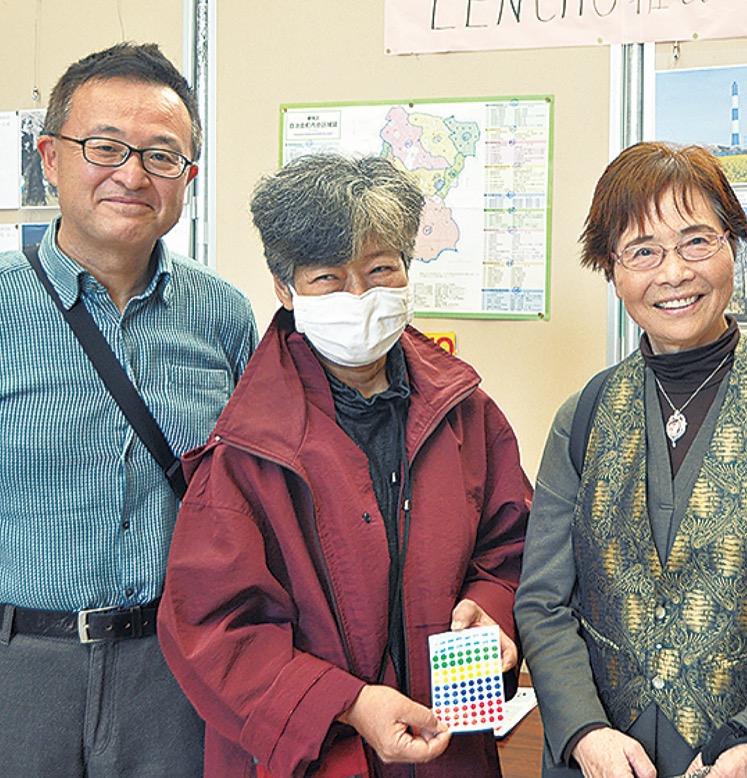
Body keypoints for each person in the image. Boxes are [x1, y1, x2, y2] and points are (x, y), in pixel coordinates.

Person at [514, 142, 747, 778]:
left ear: (733, 247)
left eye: (696, 242)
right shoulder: (582, 417)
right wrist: (584, 733)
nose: (674, 273)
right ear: (611, 271)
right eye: (643, 251)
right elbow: (542, 604)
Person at [157, 153, 531, 777]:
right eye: (329, 278)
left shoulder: (466, 412)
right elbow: (213, 630)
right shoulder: (246, 447)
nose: (360, 296)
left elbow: (515, 546)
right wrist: (349, 704)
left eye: (380, 269)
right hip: (316, 758)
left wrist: (493, 606)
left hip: (450, 751)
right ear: (285, 289)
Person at [0, 42, 257, 775]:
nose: (133, 175)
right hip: (19, 665)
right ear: (50, 158)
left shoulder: (224, 315)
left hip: (177, 669)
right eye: (105, 147)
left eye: (161, 156)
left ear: (188, 179)